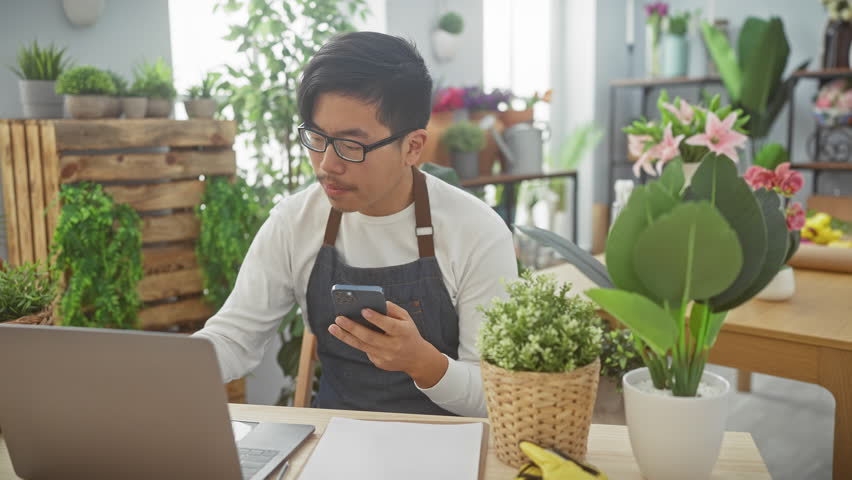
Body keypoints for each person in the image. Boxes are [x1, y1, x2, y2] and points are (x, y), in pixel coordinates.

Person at [194, 31, 517, 418]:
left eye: (352, 145)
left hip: (450, 445)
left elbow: (496, 393)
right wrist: (161, 372)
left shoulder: (476, 231)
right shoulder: (294, 222)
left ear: (413, 147)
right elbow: (234, 338)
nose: (328, 164)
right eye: (317, 137)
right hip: (331, 438)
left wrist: (424, 363)